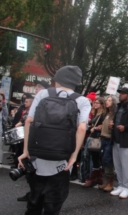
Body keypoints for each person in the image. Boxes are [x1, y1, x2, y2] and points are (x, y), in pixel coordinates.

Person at [17, 65, 91, 214]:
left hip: (37, 156)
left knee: (34, 202)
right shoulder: (82, 100)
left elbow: (29, 121)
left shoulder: (43, 93)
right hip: (62, 161)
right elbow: (81, 128)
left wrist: (26, 151)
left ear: (57, 78)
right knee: (53, 205)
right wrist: (74, 156)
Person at [83, 97, 106, 188]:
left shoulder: (103, 114)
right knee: (93, 157)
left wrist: (95, 128)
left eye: (97, 103)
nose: (95, 104)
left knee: (94, 157)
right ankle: (98, 177)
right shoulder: (96, 113)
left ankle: (93, 178)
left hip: (97, 138)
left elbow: (102, 126)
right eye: (94, 102)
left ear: (101, 104)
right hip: (93, 137)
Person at [98, 95, 116, 192]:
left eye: (109, 100)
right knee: (104, 160)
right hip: (103, 138)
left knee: (108, 160)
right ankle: (107, 181)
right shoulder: (107, 113)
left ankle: (111, 183)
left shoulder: (114, 114)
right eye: (107, 100)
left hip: (109, 139)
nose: (107, 102)